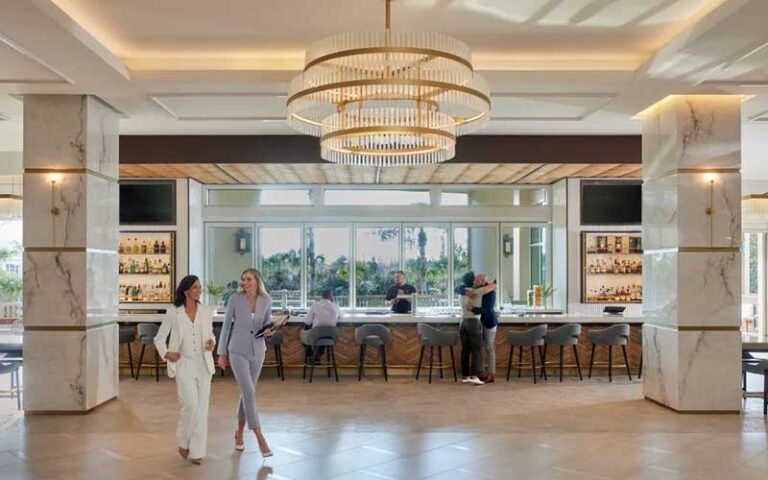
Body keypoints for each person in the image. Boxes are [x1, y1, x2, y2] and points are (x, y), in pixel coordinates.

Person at [154, 275, 216, 465]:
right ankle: (183, 440)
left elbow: (210, 333)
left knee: (202, 409)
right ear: (185, 291)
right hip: (184, 364)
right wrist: (167, 354)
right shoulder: (174, 312)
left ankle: (197, 452)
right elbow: (159, 338)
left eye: (200, 287)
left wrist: (211, 342)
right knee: (190, 404)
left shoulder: (206, 311)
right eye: (195, 287)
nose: (199, 290)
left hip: (203, 364)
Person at [216, 268, 274, 457]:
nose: (245, 283)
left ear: (257, 280)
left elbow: (266, 325)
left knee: (246, 393)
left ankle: (239, 433)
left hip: (258, 351)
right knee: (249, 391)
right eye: (243, 280)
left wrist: (269, 331)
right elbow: (226, 326)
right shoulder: (235, 299)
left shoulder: (267, 300)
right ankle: (259, 437)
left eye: (248, 279)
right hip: (237, 350)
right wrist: (222, 353)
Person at [456, 271, 484, 385]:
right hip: (473, 321)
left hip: (463, 322)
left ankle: (465, 375)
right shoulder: (475, 292)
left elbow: (457, 288)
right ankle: (475, 376)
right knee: (477, 350)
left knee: (465, 350)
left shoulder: (462, 292)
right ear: (473, 281)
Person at [472, 274, 498, 383]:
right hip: (480, 322)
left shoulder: (490, 292)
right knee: (481, 348)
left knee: (489, 347)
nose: (475, 282)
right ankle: (481, 372)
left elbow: (487, 310)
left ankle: (491, 374)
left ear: (483, 281)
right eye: (475, 280)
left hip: (489, 322)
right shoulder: (478, 290)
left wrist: (473, 309)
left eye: (478, 280)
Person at [303, 290, 342, 358]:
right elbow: (341, 316)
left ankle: (310, 354)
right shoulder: (335, 306)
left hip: (316, 335)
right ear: (330, 296)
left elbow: (307, 321)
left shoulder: (315, 305)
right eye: (333, 296)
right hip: (331, 335)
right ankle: (319, 354)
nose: (334, 297)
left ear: (322, 296)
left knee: (307, 329)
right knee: (324, 331)